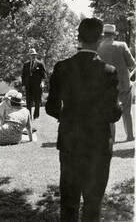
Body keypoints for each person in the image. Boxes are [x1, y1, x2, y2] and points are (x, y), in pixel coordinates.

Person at [46, 18, 122, 222]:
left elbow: (51, 107)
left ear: (78, 38)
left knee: (69, 204)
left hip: (70, 143)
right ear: (99, 40)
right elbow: (113, 114)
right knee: (93, 205)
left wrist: (69, 117)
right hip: (98, 145)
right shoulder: (109, 72)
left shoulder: (62, 67)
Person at [98, 24, 135, 142]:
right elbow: (132, 64)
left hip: (106, 85)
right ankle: (130, 136)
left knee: (109, 112)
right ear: (114, 35)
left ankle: (111, 138)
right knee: (127, 112)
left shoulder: (98, 47)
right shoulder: (122, 45)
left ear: (104, 35)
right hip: (124, 83)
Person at [21, 48, 46, 120]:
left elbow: (44, 75)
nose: (33, 56)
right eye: (31, 55)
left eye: (34, 55)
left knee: (37, 101)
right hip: (28, 86)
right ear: (29, 56)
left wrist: (42, 82)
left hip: (37, 85)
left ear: (36, 55)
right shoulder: (26, 64)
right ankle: (29, 116)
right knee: (28, 102)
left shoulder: (40, 63)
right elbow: (23, 75)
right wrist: (23, 85)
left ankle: (36, 116)